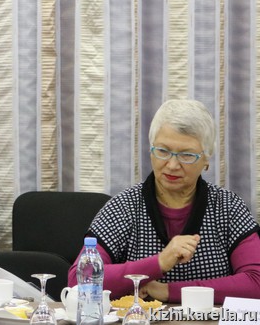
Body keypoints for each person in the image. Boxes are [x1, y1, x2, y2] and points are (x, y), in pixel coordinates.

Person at [68, 99, 260, 304]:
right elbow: (79, 280)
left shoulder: (228, 207)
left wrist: (168, 291)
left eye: (187, 155)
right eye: (163, 151)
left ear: (206, 159)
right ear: (151, 151)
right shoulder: (124, 207)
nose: (172, 164)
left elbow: (256, 282)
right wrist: (159, 262)